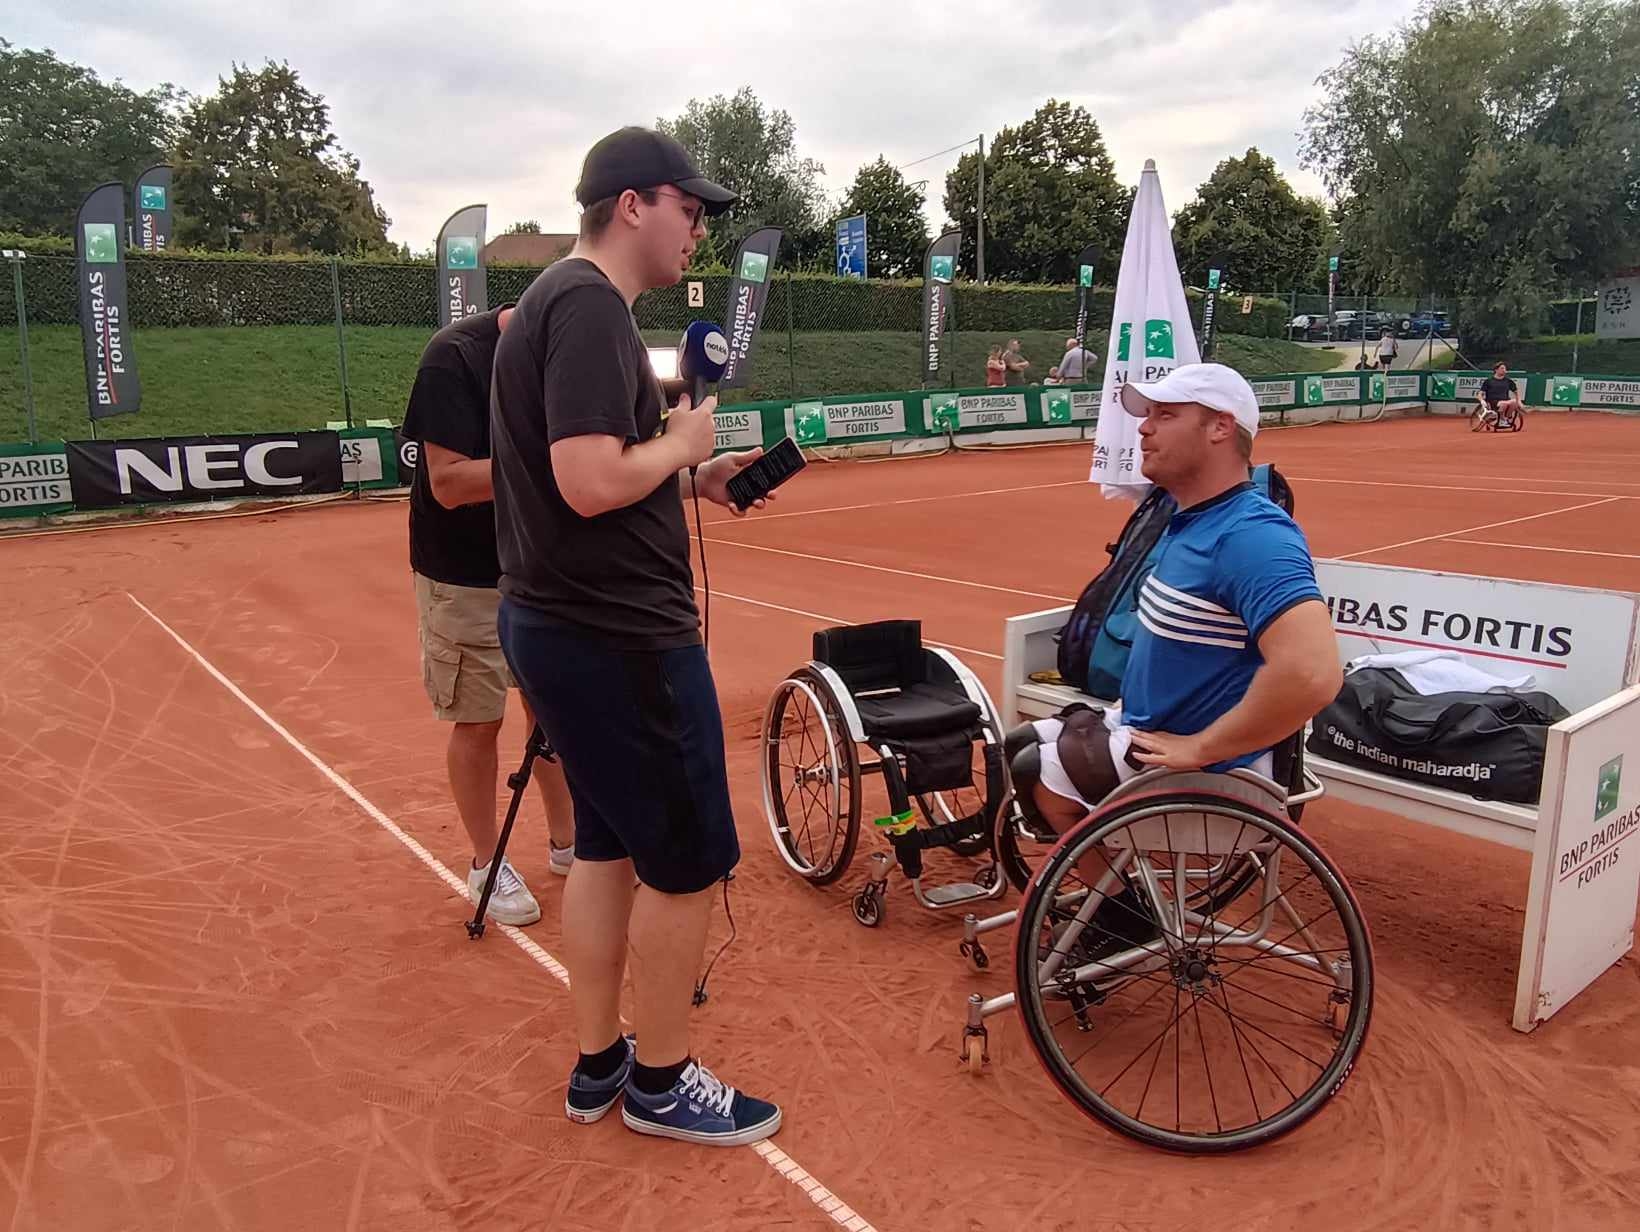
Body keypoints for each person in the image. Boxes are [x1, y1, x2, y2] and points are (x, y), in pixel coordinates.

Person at [489, 125, 782, 1147]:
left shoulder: (554, 303)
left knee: (609, 844)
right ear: (631, 206)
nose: (697, 230)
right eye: (687, 209)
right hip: (617, 635)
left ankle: (600, 1060)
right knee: (685, 860)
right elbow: (586, 480)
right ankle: (660, 1079)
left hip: (560, 623)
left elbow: (593, 474)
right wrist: (681, 442)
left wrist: (688, 474)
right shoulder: (587, 307)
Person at [1019, 363, 1342, 836]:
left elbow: (1312, 674)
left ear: (1220, 427)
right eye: (1148, 414)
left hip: (1214, 773)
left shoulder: (1252, 536)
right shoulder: (1189, 520)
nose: (1144, 428)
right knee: (1017, 745)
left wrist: (1203, 748)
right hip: (1148, 732)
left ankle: (1114, 888)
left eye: (1165, 415)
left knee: (1037, 777)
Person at [404, 303, 576, 927]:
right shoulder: (453, 359)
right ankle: (486, 861)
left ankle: (569, 842)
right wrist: (551, 471)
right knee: (480, 721)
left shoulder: (568, 360)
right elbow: (448, 482)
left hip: (537, 567)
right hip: (463, 575)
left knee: (552, 715)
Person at [1478, 362, 1525, 427]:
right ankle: (1501, 421)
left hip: (1506, 401)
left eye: (1505, 369)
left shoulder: (1508, 381)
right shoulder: (1488, 381)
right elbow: (1480, 393)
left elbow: (1516, 392)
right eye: (1502, 368)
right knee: (1504, 403)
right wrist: (1482, 401)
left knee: (1514, 402)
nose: (1504, 370)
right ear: (1496, 370)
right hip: (1493, 402)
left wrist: (1519, 402)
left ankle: (1506, 418)